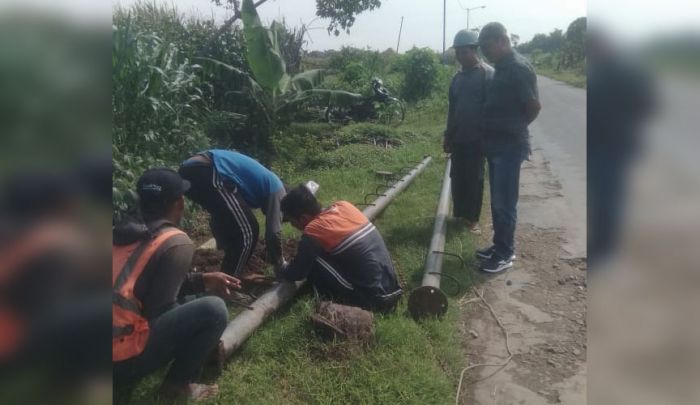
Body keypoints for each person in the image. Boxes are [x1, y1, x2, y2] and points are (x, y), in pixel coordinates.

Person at [112, 168, 241, 402]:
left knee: (194, 300)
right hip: (118, 361)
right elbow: (157, 311)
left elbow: (136, 286)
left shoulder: (121, 232)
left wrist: (201, 280)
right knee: (213, 309)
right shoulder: (175, 242)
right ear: (179, 202)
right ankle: (177, 385)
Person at [476, 22, 541, 273]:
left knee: (505, 203)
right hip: (495, 146)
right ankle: (498, 244)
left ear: (503, 41)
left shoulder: (517, 68)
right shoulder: (501, 67)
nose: (484, 53)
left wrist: (514, 127)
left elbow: (533, 106)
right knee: (497, 201)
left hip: (508, 146)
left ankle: (505, 253)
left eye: (487, 47)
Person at [277, 185, 402, 312]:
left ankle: (330, 297)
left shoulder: (313, 230)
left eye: (293, 222)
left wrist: (283, 270)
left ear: (303, 218)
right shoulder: (344, 206)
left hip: (373, 300)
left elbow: (297, 272)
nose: (293, 226)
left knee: (314, 261)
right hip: (392, 289)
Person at [178, 149, 286, 277]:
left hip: (188, 170)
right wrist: (280, 264)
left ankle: (228, 273)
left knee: (235, 220)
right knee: (249, 231)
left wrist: (224, 242)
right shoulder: (278, 191)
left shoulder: (259, 186)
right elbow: (273, 233)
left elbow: (222, 214)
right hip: (208, 169)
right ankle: (228, 284)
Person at [443, 29, 494, 234]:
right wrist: (448, 135)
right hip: (458, 137)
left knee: (474, 179)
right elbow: (452, 109)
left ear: (474, 50)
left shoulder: (487, 74)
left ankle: (472, 220)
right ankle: (460, 215)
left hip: (478, 138)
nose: (461, 56)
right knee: (458, 177)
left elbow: (493, 108)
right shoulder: (457, 79)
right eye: (458, 52)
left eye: (465, 52)